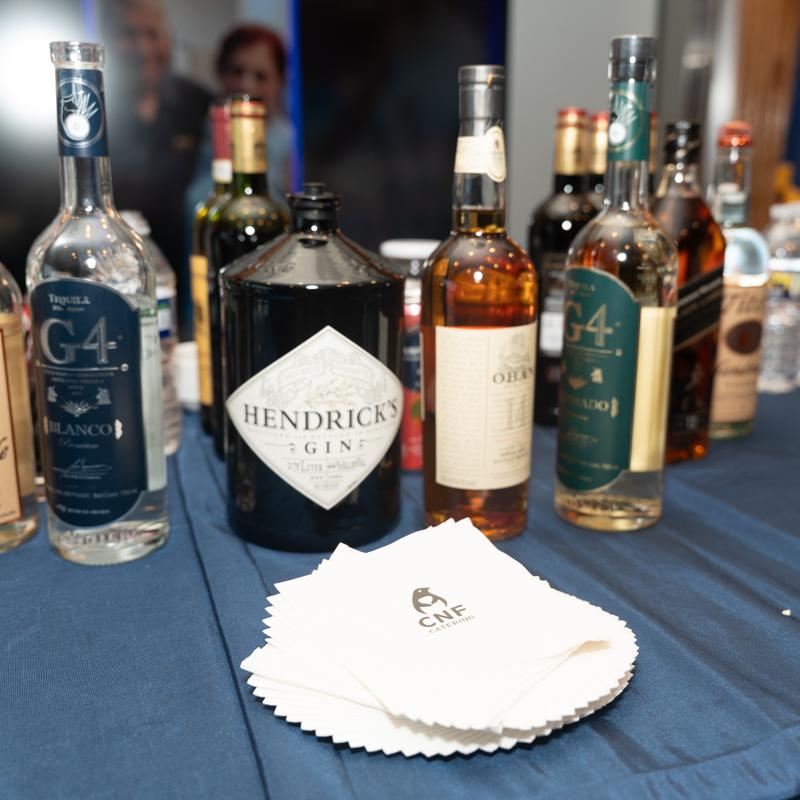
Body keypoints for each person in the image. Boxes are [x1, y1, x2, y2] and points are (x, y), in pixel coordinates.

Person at [101, 0, 212, 339]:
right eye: (129, 35)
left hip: (187, 272)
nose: (143, 48)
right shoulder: (94, 106)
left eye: (152, 34)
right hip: (113, 274)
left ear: (169, 39)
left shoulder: (200, 103)